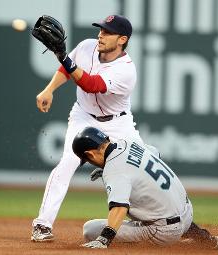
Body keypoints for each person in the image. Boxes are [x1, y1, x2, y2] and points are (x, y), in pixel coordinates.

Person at [30, 14, 145, 241]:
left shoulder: (126, 70)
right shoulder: (86, 47)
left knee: (144, 167)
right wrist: (49, 89)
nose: (101, 35)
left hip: (118, 124)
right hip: (84, 117)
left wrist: (64, 59)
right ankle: (42, 224)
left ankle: (178, 224)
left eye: (107, 32)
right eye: (101, 30)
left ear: (122, 40)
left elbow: (92, 85)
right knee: (67, 163)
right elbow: (66, 70)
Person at [71, 127, 218, 250]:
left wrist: (105, 239)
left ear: (90, 153)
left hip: (163, 232)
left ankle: (143, 249)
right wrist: (110, 169)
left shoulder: (115, 170)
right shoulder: (129, 144)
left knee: (90, 229)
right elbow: (154, 154)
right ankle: (209, 241)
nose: (89, 162)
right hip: (187, 213)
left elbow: (119, 207)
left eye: (87, 159)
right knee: (158, 200)